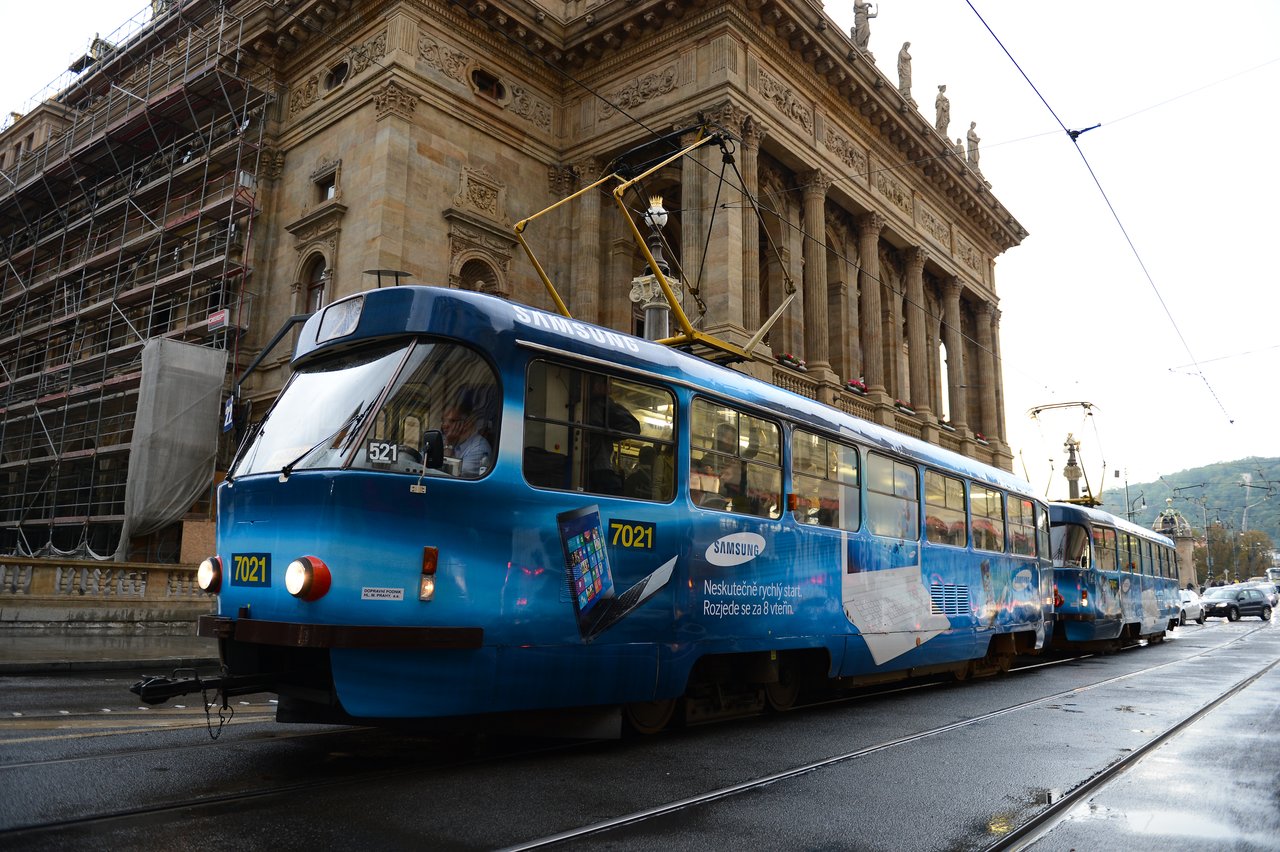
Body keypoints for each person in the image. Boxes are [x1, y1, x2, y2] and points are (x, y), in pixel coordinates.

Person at [585, 374, 640, 494]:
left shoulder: (584, 406)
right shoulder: (603, 405)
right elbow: (634, 427)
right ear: (597, 386)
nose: (611, 389)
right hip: (600, 468)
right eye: (608, 384)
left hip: (589, 467)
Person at [441, 401, 491, 477]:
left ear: (467, 422)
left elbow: (453, 475)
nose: (444, 425)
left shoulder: (479, 447)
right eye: (443, 421)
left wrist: (449, 445)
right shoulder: (443, 438)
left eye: (452, 421)